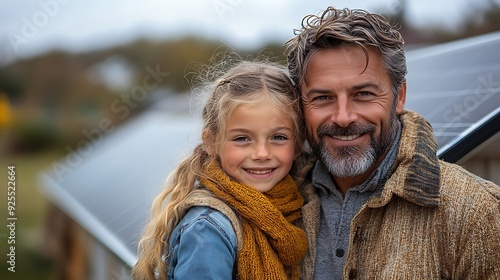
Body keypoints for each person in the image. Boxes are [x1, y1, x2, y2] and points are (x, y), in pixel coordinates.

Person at [284, 6, 500, 280]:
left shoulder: (477, 213)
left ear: (400, 97)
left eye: (363, 93)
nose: (343, 117)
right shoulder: (275, 198)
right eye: (322, 98)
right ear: (300, 104)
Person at [132, 60, 308, 280]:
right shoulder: (208, 231)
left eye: (278, 137)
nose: (262, 153)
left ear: (298, 144)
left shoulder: (297, 205)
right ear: (212, 142)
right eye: (242, 138)